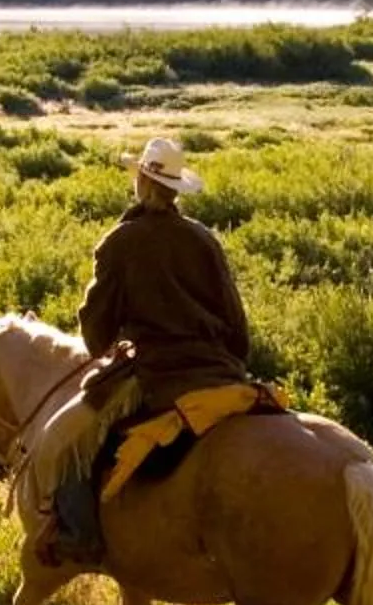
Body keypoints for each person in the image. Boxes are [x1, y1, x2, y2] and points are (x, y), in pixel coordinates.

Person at [19, 135, 251, 565]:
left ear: (142, 183)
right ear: (176, 188)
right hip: (223, 371)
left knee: (63, 441)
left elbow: (96, 332)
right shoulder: (205, 240)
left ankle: (78, 536)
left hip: (154, 376)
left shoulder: (120, 242)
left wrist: (108, 346)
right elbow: (238, 328)